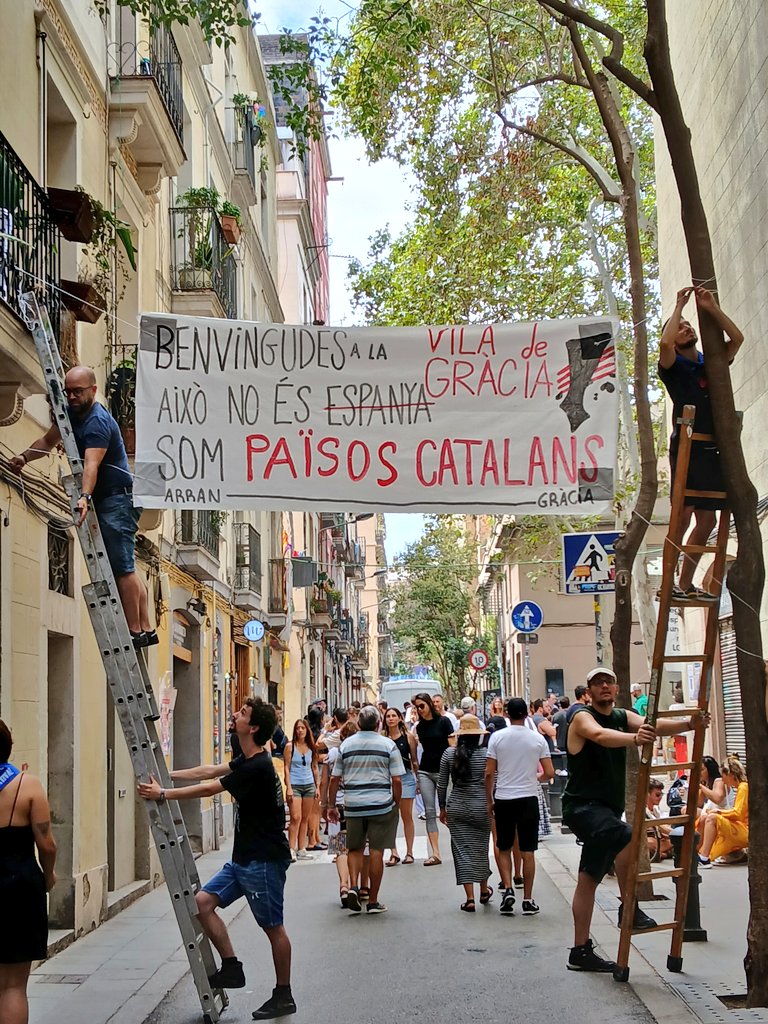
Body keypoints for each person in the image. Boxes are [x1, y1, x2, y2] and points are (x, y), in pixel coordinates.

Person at [138, 699, 295, 1020]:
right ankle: (232, 967)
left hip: (264, 861)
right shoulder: (248, 759)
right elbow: (208, 770)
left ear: (252, 728)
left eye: (243, 713)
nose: (235, 713)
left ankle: (283, 994)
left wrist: (163, 795)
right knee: (201, 903)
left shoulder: (258, 767)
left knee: (273, 928)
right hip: (244, 859)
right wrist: (165, 776)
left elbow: (210, 787)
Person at [562, 666, 708, 973]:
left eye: (608, 682)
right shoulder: (581, 716)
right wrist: (635, 739)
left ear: (616, 688)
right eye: (597, 683)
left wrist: (689, 723)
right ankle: (629, 906)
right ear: (589, 691)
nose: (604, 686)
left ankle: (580, 950)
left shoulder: (623, 715)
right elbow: (599, 736)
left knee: (587, 880)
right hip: (583, 808)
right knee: (626, 833)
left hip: (606, 814)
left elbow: (651, 725)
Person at [10, 365, 156, 648]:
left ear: (93, 390)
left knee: (122, 568)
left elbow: (91, 464)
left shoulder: (97, 422)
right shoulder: (72, 415)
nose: (72, 396)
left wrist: (85, 497)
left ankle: (135, 630)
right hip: (110, 497)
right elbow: (48, 440)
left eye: (78, 391)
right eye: (68, 391)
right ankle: (145, 628)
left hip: (117, 498)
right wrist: (24, 458)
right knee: (125, 566)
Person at [658, 285, 744, 600]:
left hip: (713, 448)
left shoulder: (712, 363)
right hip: (687, 446)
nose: (686, 328)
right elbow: (665, 343)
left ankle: (684, 584)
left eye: (688, 325)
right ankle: (667, 583)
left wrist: (711, 309)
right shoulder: (673, 366)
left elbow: (737, 339)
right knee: (683, 517)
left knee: (706, 521)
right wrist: (679, 305)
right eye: (681, 327)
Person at [0, 720, 57, 1024]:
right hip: (18, 886)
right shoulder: (27, 785)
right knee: (12, 986)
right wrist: (49, 876)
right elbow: (46, 844)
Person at [328, 706, 404, 915]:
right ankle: (372, 901)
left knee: (354, 848)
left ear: (359, 723)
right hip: (381, 805)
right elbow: (397, 779)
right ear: (379, 723)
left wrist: (331, 805)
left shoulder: (346, 745)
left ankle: (353, 886)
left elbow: (335, 778)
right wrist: (395, 802)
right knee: (377, 850)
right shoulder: (388, 745)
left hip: (353, 805)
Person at [485, 698, 553, 917]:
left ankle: (508, 888)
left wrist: (489, 798)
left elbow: (489, 772)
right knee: (528, 851)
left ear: (507, 714)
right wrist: (535, 778)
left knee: (503, 846)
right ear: (527, 714)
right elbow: (550, 773)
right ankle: (528, 899)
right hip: (528, 797)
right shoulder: (537, 739)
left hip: (504, 797)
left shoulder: (497, 737)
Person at [438, 715, 492, 912]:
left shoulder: (449, 754)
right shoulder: (486, 754)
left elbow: (442, 783)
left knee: (461, 850)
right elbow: (492, 780)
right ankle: (484, 889)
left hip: (457, 806)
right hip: (481, 806)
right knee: (481, 848)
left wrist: (442, 807)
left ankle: (469, 898)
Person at [320, 720, 359, 908]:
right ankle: (355, 885)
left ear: (341, 736)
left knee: (339, 847)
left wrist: (325, 804)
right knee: (357, 846)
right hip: (356, 804)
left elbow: (325, 782)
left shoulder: (333, 754)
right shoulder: (358, 753)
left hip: (337, 806)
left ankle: (343, 886)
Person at [414, 692, 455, 865]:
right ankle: (435, 853)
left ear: (430, 704)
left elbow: (453, 747)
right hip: (425, 771)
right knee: (430, 812)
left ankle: (459, 847)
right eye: (417, 707)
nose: (419, 710)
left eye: (422, 706)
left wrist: (455, 770)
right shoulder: (419, 727)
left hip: (444, 770)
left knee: (451, 811)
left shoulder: (444, 722)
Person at [381, 708, 418, 865]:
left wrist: (419, 780)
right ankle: (393, 852)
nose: (390, 719)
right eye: (388, 716)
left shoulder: (408, 737)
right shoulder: (382, 738)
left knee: (406, 815)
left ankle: (409, 852)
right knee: (389, 817)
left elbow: (414, 760)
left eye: (393, 716)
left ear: (400, 718)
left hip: (406, 778)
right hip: (386, 779)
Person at [698, 756, 748, 868]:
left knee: (711, 818)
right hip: (742, 827)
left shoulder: (743, 787)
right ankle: (701, 855)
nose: (723, 779)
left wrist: (718, 812)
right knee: (708, 817)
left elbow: (738, 814)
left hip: (744, 830)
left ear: (729, 774)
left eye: (723, 775)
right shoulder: (742, 787)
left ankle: (703, 858)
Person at [284, 719, 319, 860]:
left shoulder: (312, 747)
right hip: (295, 785)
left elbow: (315, 768)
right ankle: (291, 848)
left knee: (305, 818)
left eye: (302, 728)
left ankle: (301, 848)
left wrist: (317, 787)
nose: (300, 730)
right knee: (295, 817)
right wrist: (289, 787)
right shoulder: (290, 746)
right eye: (298, 728)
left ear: (307, 730)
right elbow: (286, 767)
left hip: (309, 784)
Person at [646, 779, 673, 862]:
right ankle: (662, 853)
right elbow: (660, 826)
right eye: (657, 795)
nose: (660, 797)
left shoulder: (656, 809)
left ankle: (661, 853)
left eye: (661, 794)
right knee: (649, 843)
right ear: (647, 795)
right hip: (648, 839)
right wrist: (673, 833)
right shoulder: (643, 810)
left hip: (658, 839)